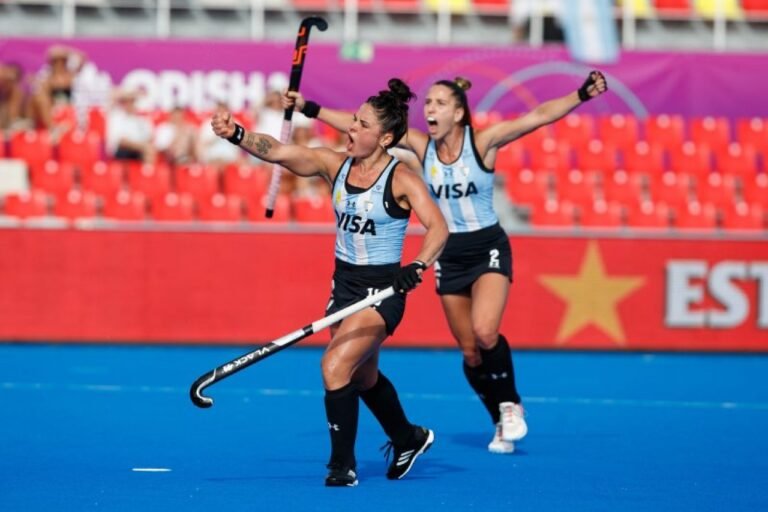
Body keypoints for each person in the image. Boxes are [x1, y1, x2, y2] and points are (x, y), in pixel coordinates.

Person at [283, 71, 608, 454]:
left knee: (486, 332)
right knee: (470, 351)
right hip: (448, 255)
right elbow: (365, 127)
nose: (430, 110)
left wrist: (582, 94)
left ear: (458, 112)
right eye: (429, 103)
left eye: (439, 104)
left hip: (487, 246)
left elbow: (537, 116)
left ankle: (510, 403)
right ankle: (498, 420)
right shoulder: (423, 147)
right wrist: (310, 108)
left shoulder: (482, 142)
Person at [211, 78, 449, 487]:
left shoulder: (401, 178)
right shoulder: (334, 164)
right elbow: (283, 152)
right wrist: (237, 134)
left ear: (386, 137)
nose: (351, 129)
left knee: (335, 366)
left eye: (362, 125)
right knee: (363, 376)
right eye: (353, 121)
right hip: (345, 286)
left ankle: (342, 465)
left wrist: (419, 265)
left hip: (384, 290)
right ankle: (408, 437)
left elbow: (439, 228)